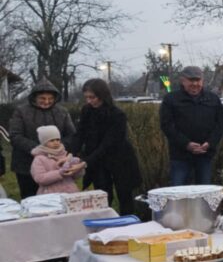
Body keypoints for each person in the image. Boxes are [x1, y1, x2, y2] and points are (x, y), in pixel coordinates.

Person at [70, 79, 142, 213]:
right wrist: (71, 154)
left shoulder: (117, 115)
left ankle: (127, 221)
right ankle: (104, 220)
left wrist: (85, 162)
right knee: (102, 196)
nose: (89, 101)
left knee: (124, 196)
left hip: (120, 159)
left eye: (92, 97)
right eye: (86, 97)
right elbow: (80, 134)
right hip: (99, 162)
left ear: (102, 95)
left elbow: (108, 144)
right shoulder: (86, 111)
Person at [9, 78, 75, 199]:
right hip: (25, 164)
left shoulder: (62, 112)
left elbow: (72, 135)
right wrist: (37, 149)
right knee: (30, 198)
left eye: (50, 98)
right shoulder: (21, 111)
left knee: (58, 198)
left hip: (55, 164)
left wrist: (59, 147)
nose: (46, 101)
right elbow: (15, 135)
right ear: (34, 97)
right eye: (42, 98)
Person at [159, 66, 223, 186]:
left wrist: (210, 143)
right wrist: (186, 144)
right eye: (191, 80)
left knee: (204, 191)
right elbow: (167, 125)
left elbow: (220, 125)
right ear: (182, 81)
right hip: (180, 155)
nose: (195, 84)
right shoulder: (171, 99)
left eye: (197, 80)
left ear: (202, 81)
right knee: (178, 191)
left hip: (205, 154)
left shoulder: (213, 99)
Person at [31, 125, 84, 194]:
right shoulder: (39, 159)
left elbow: (77, 176)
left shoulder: (65, 155)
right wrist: (59, 173)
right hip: (50, 194)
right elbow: (40, 178)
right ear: (44, 142)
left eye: (57, 139)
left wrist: (77, 167)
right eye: (52, 140)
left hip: (70, 192)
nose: (56, 142)